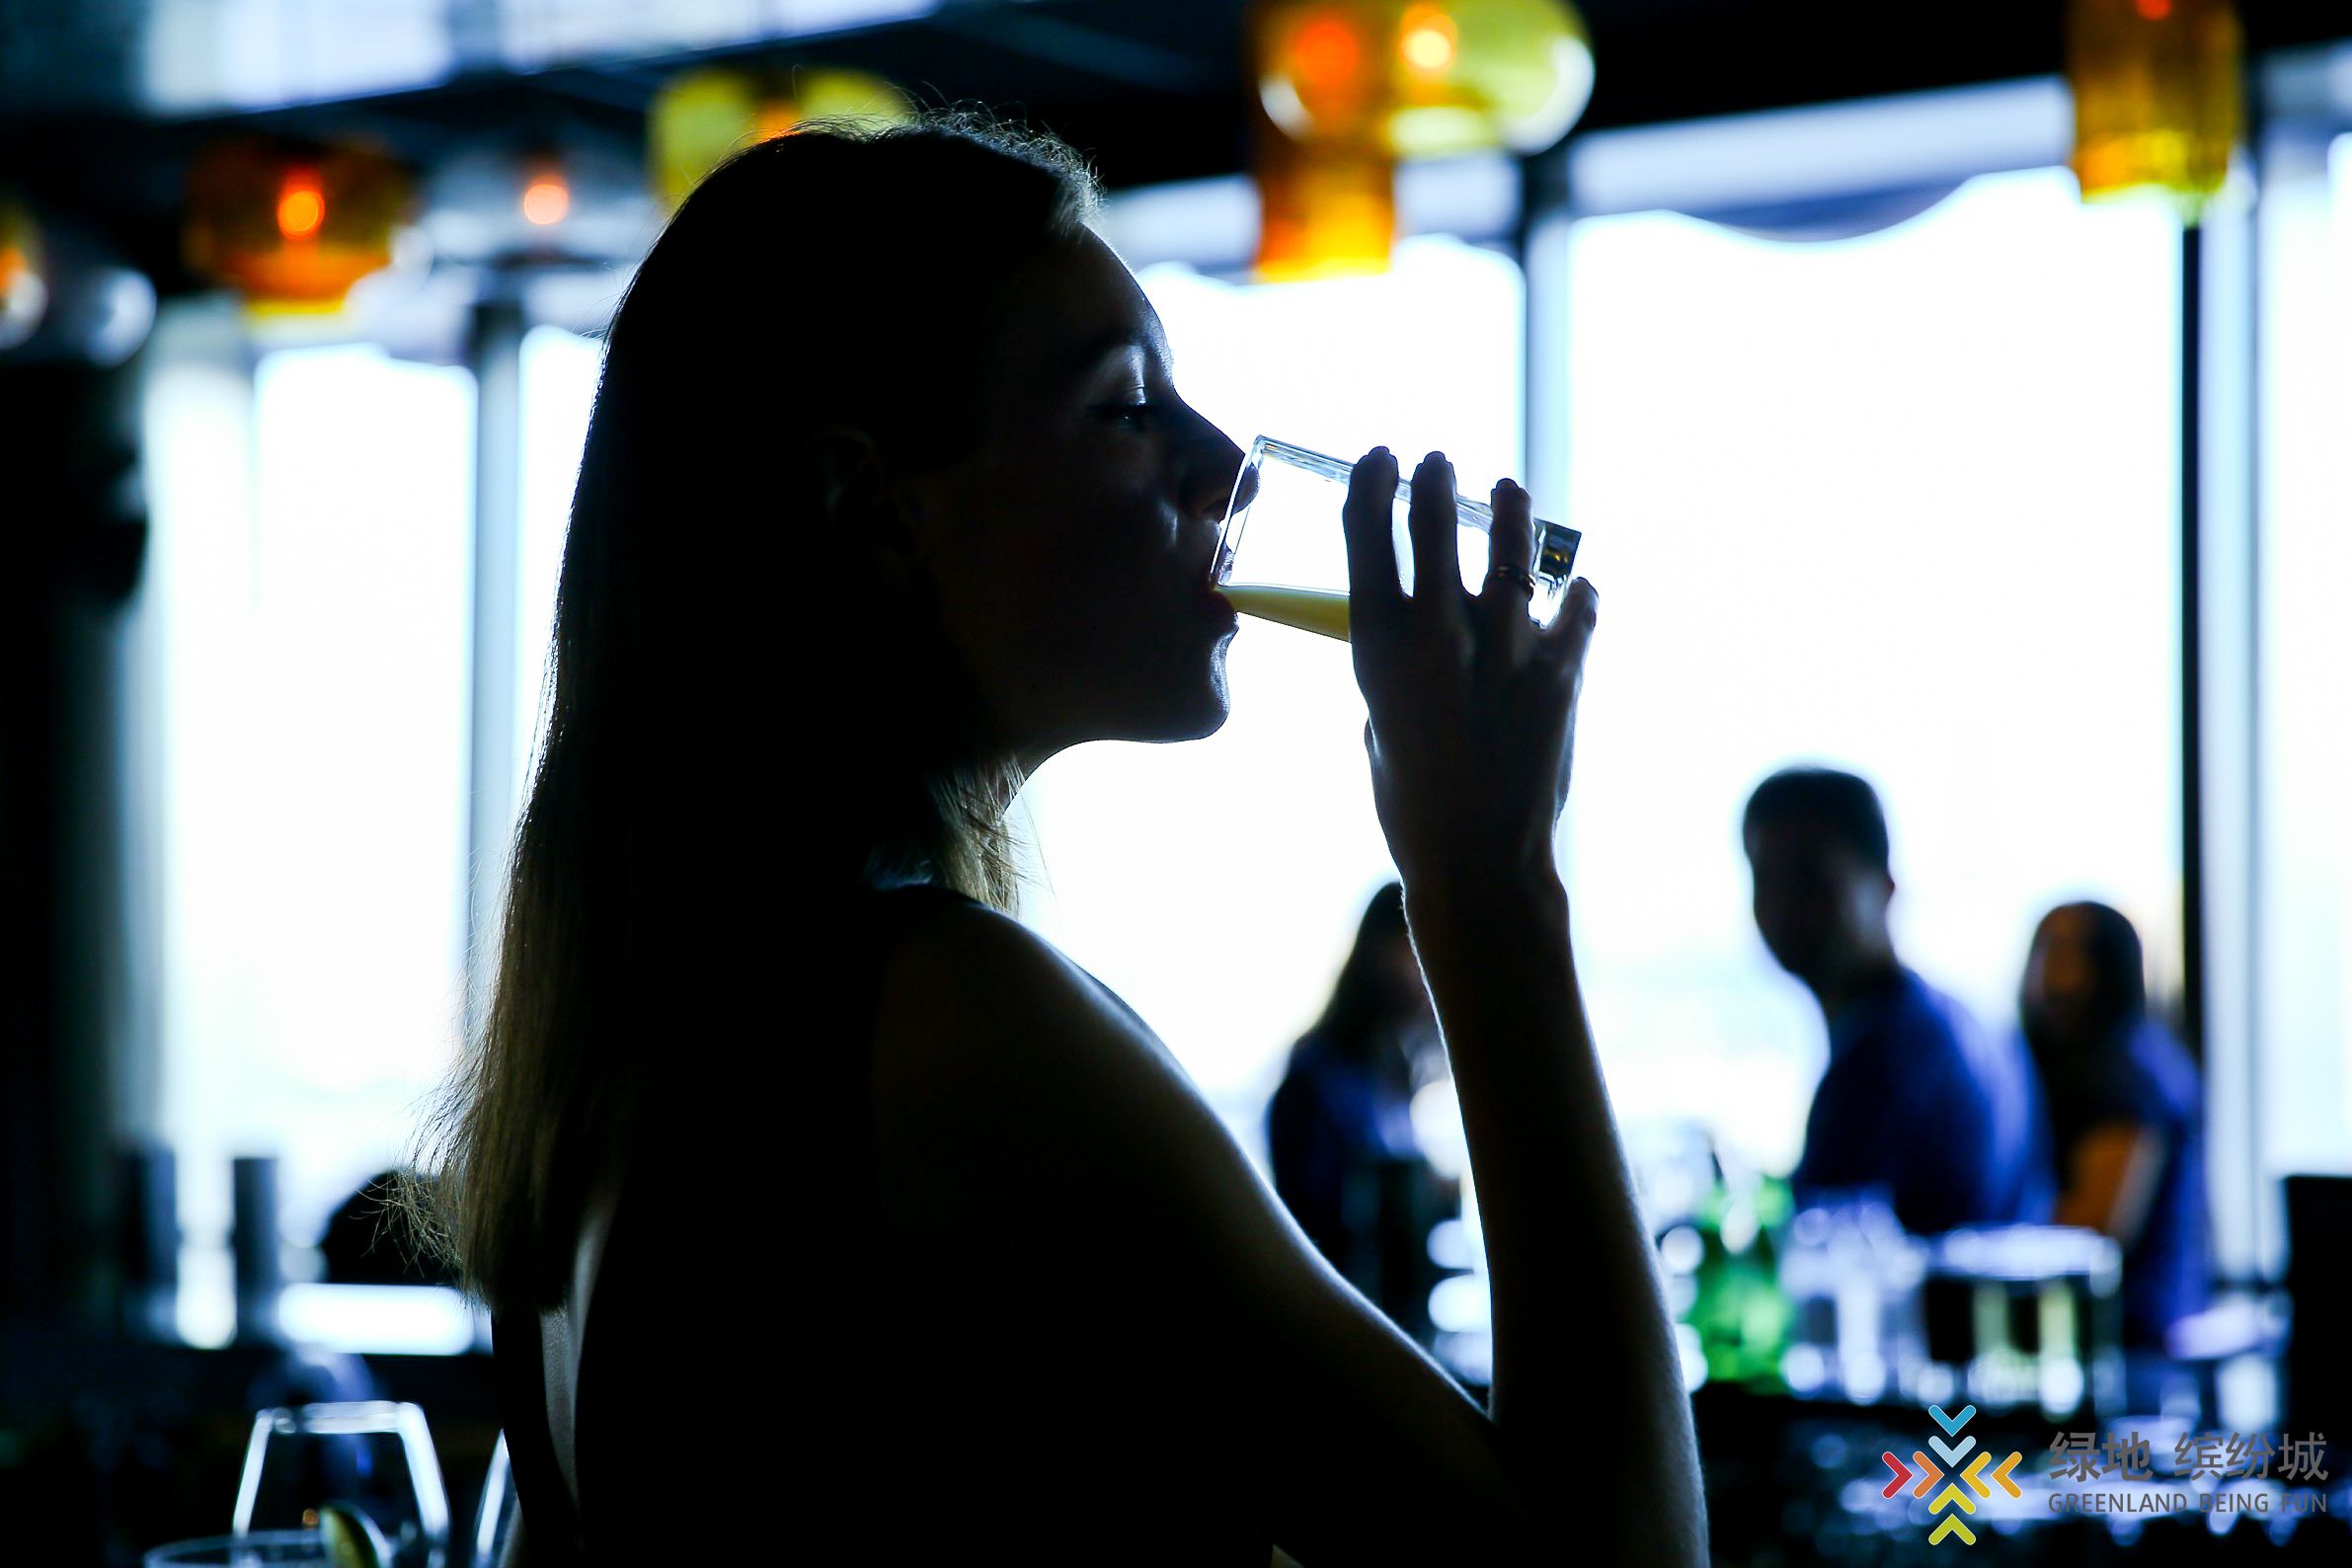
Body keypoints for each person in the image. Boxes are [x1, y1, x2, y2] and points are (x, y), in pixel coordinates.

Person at [416, 110, 1703, 1565]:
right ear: (873, 513)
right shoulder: (955, 1029)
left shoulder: (636, 1047)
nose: (1222, 467)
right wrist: (1490, 887)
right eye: (1128, 406)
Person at [1743, 766, 2051, 1234]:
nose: (1783, 905)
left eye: (1811, 878)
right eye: (1766, 878)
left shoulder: (1884, 1057)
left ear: (1885, 886)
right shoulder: (1955, 1020)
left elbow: (1816, 1244)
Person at [1267, 883, 1453, 1346]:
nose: (1427, 979)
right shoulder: (1315, 1080)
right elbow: (1317, 1233)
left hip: (1394, 1332)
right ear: (1376, 950)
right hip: (1340, 1336)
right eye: (1414, 954)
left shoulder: (1391, 1074)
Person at [2017, 902, 2208, 1348]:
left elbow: (2096, 1230)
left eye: (2070, 953)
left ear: (2111, 966)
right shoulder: (2078, 1063)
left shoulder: (2130, 1074)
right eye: (2045, 952)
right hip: (2108, 1331)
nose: (2051, 975)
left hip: (2139, 1342)